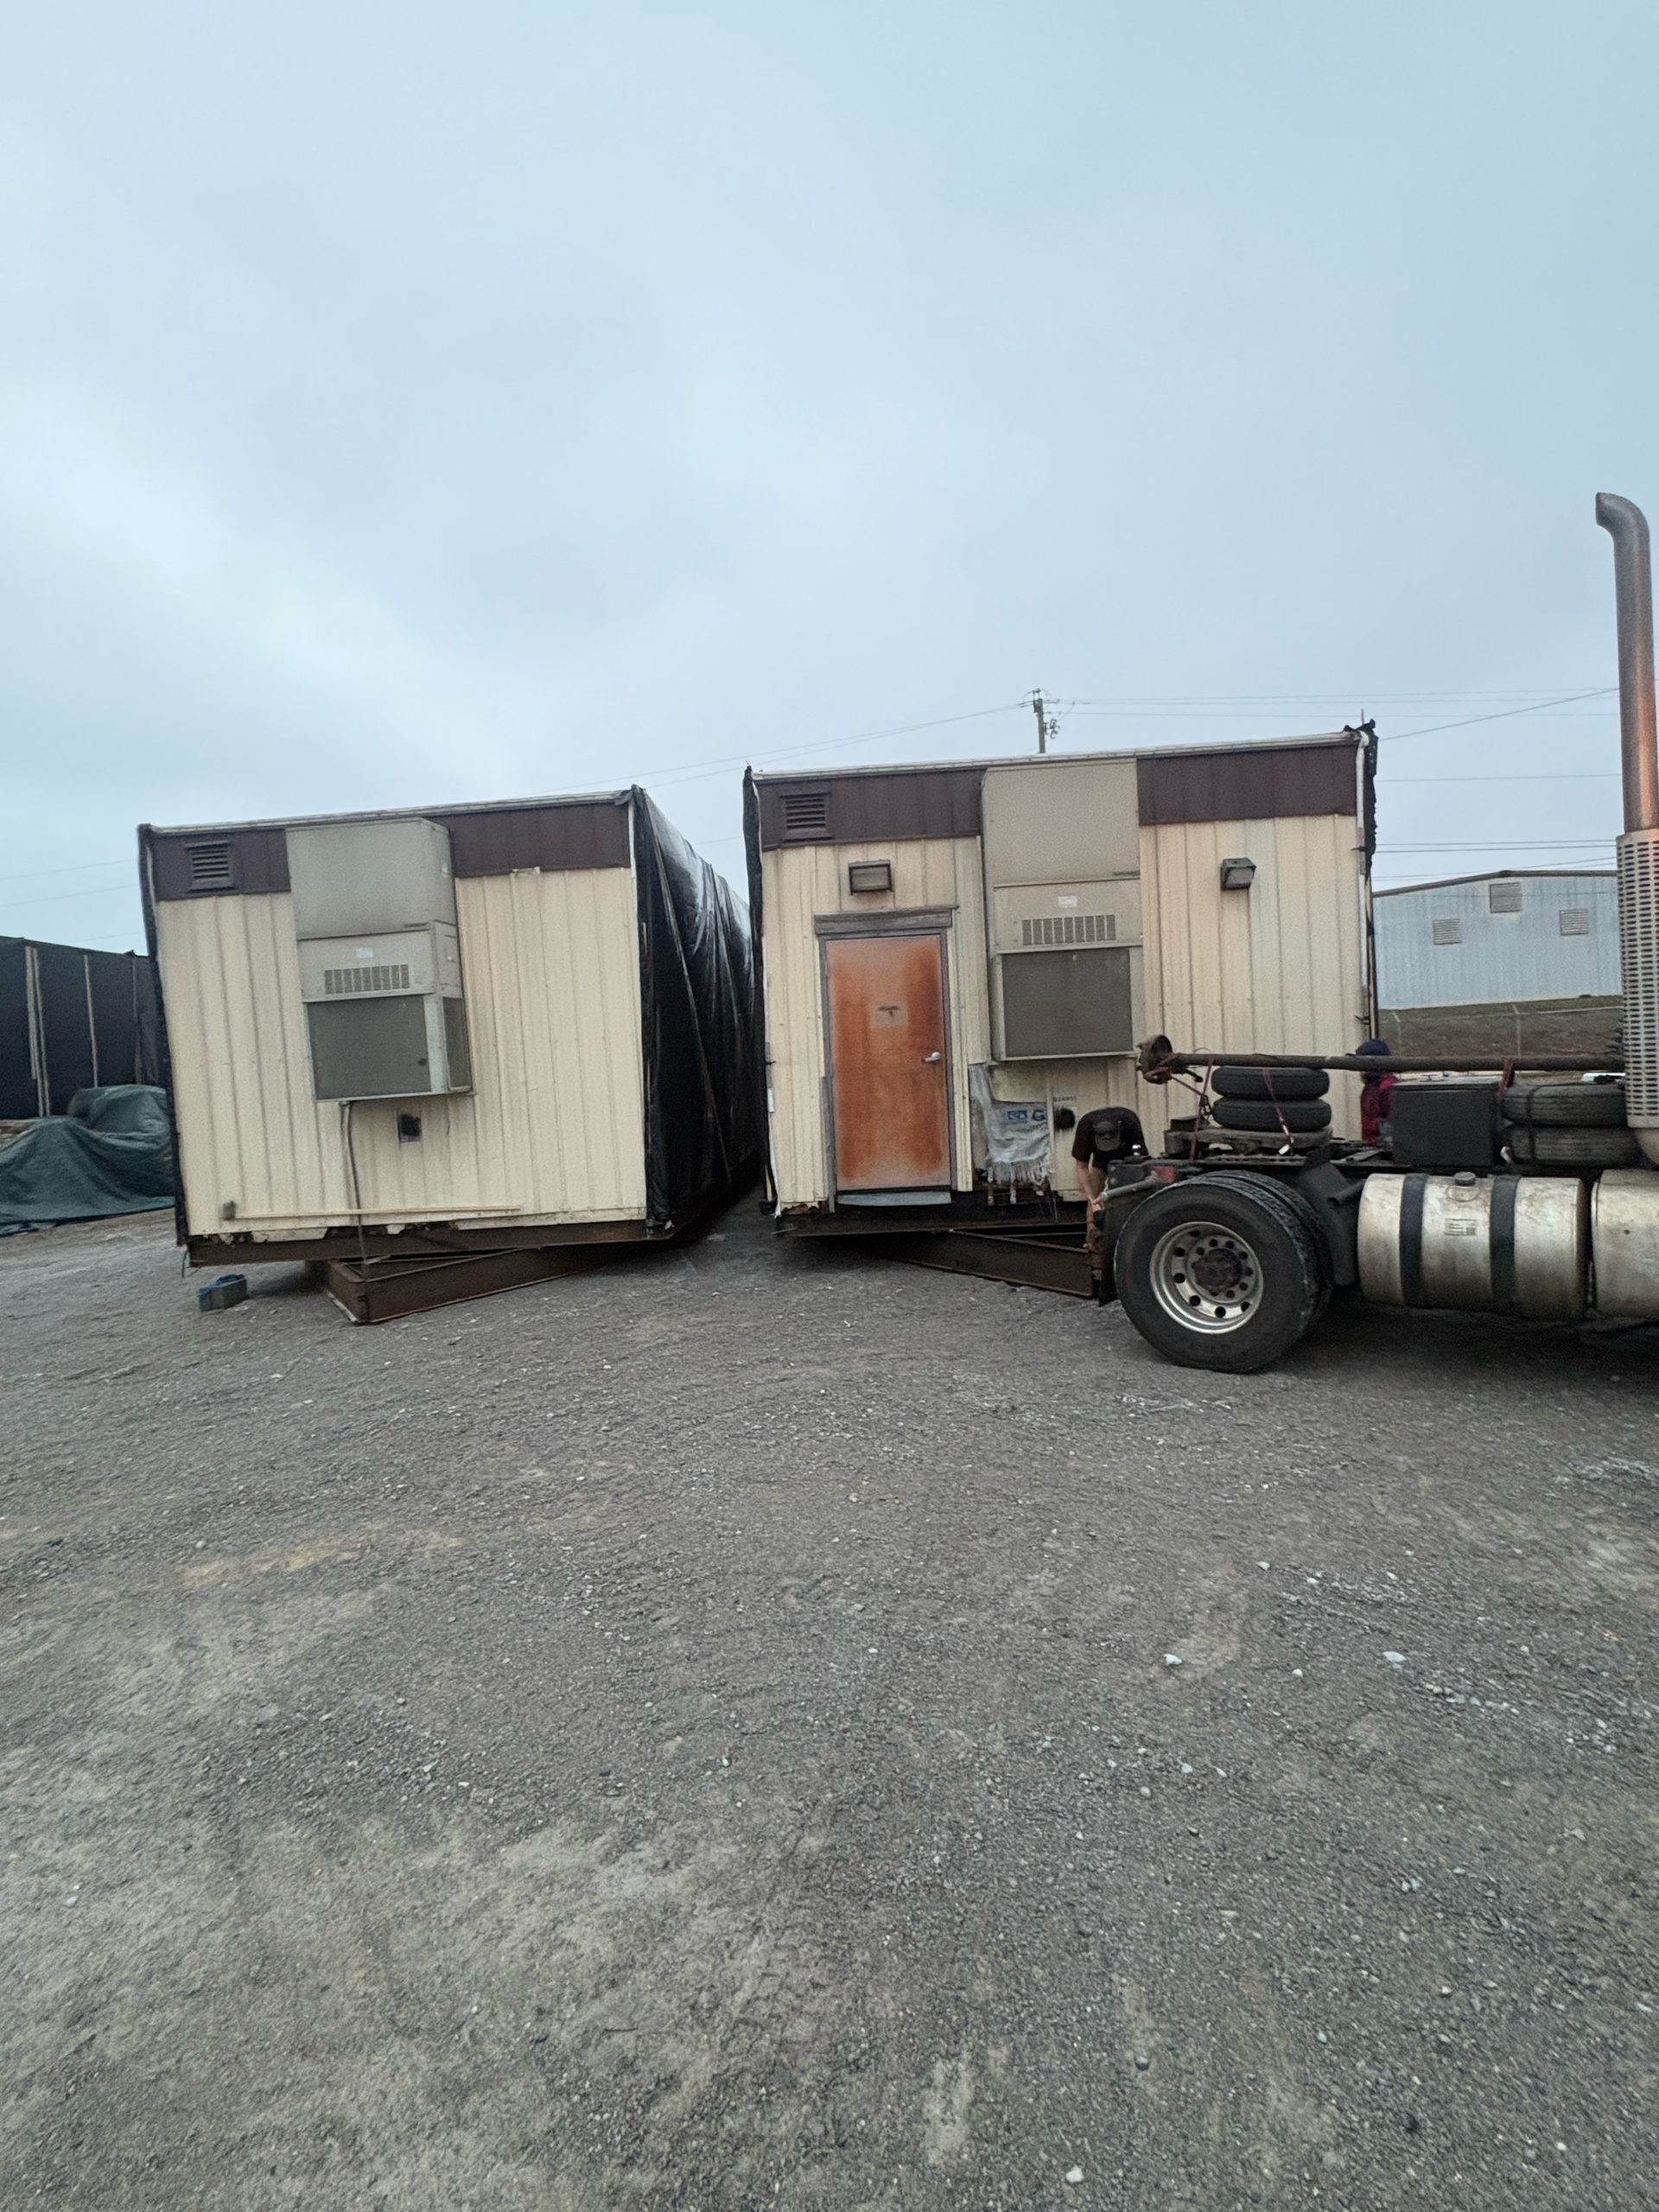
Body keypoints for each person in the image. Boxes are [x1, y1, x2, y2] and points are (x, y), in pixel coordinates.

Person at [1071, 1104, 1147, 1243]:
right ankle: (1093, 1240)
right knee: (1094, 1198)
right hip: (1100, 1163)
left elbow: (1142, 1160)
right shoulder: (1086, 1127)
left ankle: (1134, 1239)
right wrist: (1091, 1197)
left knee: (1133, 1198)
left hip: (1128, 1161)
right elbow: (1081, 1167)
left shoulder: (1129, 1121)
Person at [1356, 1037, 1395, 1145]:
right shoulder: (1370, 1087)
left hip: (1385, 1148)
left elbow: (1394, 1125)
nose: (1361, 1070)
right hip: (1372, 1145)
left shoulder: (1389, 1088)